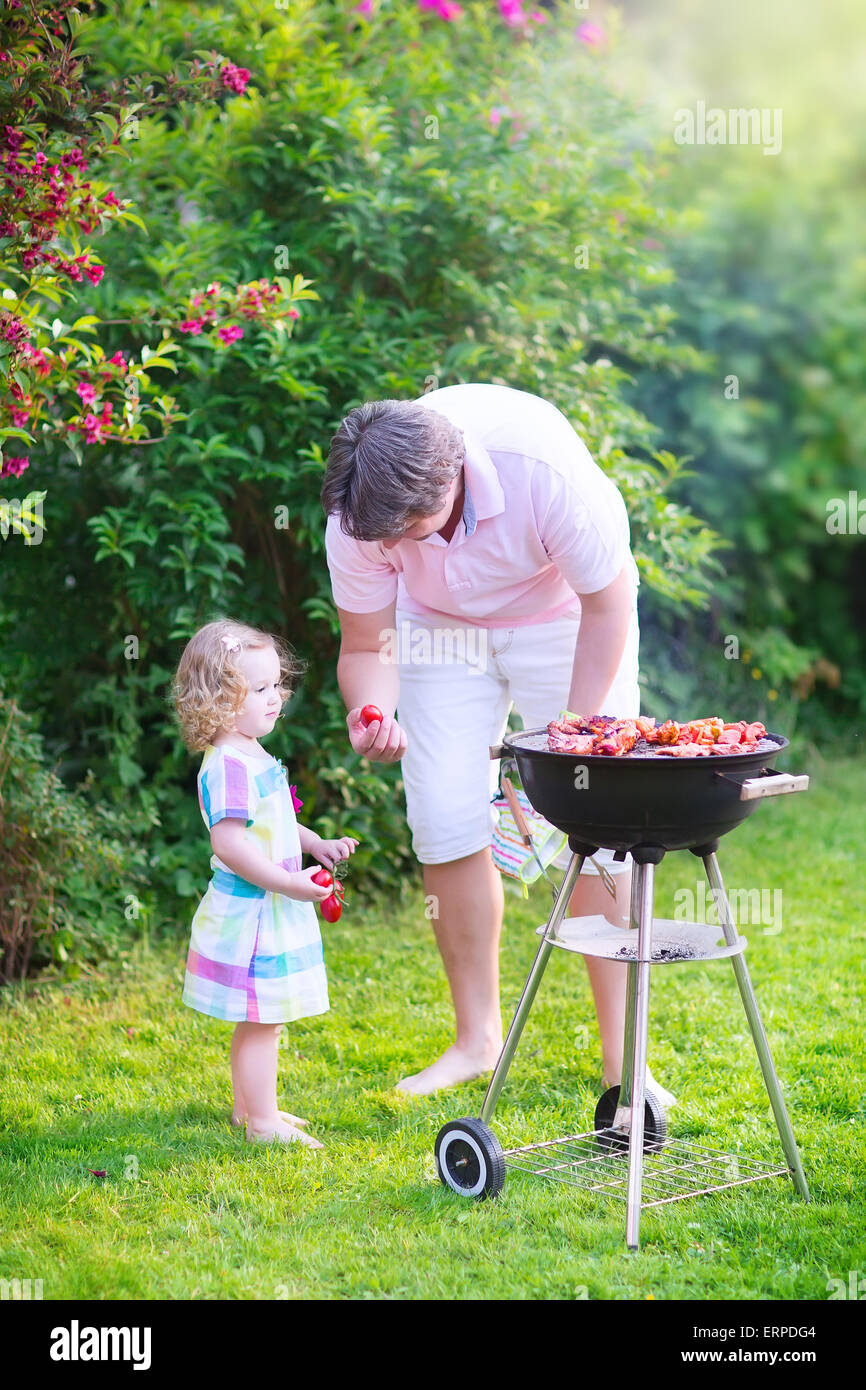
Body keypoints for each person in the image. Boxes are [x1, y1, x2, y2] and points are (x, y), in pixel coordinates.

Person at [321, 382, 675, 1102]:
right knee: (445, 816)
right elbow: (364, 644)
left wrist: (577, 735)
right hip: (438, 627)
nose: (389, 548)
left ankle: (625, 1064)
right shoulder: (360, 514)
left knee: (597, 823)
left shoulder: (540, 468)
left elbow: (609, 602)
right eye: (379, 538)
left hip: (566, 615)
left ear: (448, 482)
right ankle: (475, 1039)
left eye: (406, 533)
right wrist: (371, 713)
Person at [171, 618, 358, 1146]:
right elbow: (230, 844)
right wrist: (287, 882)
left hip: (267, 905)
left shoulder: (249, 753)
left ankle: (249, 1109)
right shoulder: (229, 765)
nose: (276, 697)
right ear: (219, 700)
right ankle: (263, 1122)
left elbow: (270, 819)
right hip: (253, 913)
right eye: (260, 689)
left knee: (259, 1018)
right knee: (262, 1019)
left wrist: (314, 843)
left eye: (277, 684)